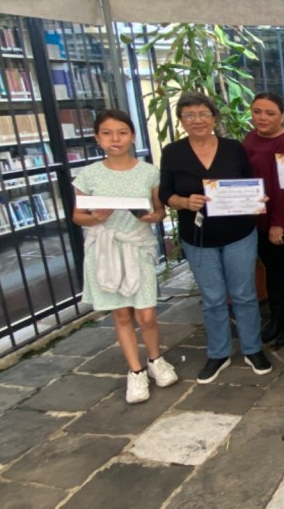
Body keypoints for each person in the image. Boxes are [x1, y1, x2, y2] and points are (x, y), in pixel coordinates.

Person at [159, 92, 272, 383]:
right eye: (189, 115)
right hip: (197, 237)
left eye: (203, 114)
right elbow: (165, 194)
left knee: (245, 294)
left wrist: (256, 198)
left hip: (239, 233)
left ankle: (252, 348)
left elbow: (248, 183)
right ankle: (218, 353)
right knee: (212, 298)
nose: (197, 120)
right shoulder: (173, 152)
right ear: (182, 120)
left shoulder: (234, 148)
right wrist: (184, 203)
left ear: (214, 117)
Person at [72, 109, 177, 403]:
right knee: (121, 313)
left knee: (146, 314)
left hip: (136, 245)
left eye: (121, 132)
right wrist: (96, 218)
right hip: (104, 247)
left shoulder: (148, 172)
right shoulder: (88, 174)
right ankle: (136, 371)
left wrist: (152, 217)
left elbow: (159, 211)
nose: (115, 139)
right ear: (97, 138)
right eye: (107, 133)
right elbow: (78, 216)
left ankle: (156, 360)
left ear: (132, 136)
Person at [242, 92, 284, 348]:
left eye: (270, 113)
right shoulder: (250, 139)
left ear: (282, 116)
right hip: (258, 219)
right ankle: (278, 316)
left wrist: (279, 222)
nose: (262, 117)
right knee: (273, 270)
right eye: (257, 111)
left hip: (282, 222)